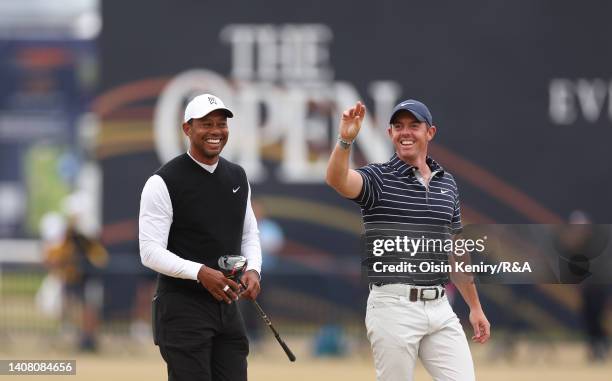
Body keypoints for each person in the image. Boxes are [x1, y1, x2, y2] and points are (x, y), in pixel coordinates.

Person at [326, 100, 490, 381]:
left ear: (430, 132)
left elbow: (456, 249)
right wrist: (344, 140)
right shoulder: (378, 178)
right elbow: (337, 179)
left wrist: (475, 307)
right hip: (393, 307)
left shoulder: (447, 183)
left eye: (414, 126)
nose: (406, 132)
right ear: (390, 134)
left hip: (439, 307)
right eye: (398, 126)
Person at [139, 93, 262, 381]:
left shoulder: (237, 176)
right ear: (187, 129)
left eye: (221, 124)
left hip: (227, 308)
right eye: (206, 124)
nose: (216, 131)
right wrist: (200, 272)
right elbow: (149, 251)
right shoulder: (163, 181)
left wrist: (254, 268)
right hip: (182, 308)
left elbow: (249, 233)